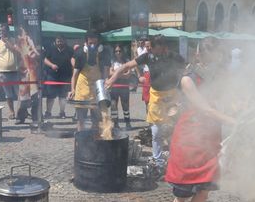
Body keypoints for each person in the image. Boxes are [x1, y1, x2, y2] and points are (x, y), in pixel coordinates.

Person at [164, 39, 236, 202]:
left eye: (218, 59)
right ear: (200, 57)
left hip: (211, 134)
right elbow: (206, 109)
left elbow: (229, 98)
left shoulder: (219, 77)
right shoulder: (188, 79)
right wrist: (235, 121)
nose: (215, 63)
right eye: (211, 59)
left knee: (204, 187)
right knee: (185, 182)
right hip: (190, 134)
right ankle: (178, 201)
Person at [106, 36, 185, 172]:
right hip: (156, 95)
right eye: (156, 50)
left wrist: (180, 91)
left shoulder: (174, 56)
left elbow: (185, 70)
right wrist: (113, 78)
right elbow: (126, 66)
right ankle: (158, 162)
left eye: (162, 49)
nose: (159, 53)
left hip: (172, 95)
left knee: (174, 129)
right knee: (156, 131)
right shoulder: (147, 56)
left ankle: (175, 160)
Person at [68, 30, 110, 132]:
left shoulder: (104, 52)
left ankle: (95, 141)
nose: (93, 45)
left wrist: (107, 85)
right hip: (82, 87)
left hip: (97, 87)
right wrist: (72, 90)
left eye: (95, 43)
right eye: (90, 43)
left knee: (96, 119)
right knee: (81, 119)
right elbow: (75, 75)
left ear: (99, 43)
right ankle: (80, 139)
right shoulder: (80, 53)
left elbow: (106, 73)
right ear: (86, 43)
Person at [0, 23, 21, 120]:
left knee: (19, 94)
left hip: (15, 71)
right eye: (0, 31)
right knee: (8, 94)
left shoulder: (14, 40)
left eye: (3, 30)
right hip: (3, 72)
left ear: (7, 31)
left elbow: (17, 52)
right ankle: (11, 112)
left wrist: (7, 42)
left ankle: (19, 112)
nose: (1, 32)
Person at [15, 25, 41, 125]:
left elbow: (36, 55)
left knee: (35, 97)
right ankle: (20, 117)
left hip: (34, 72)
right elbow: (17, 52)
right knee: (23, 97)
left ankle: (35, 117)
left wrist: (33, 48)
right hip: (23, 73)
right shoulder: (19, 42)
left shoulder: (34, 42)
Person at [43, 34, 73, 119]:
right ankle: (48, 112)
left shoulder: (70, 50)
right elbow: (45, 59)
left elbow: (73, 60)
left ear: (65, 41)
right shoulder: (51, 49)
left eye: (61, 41)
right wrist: (52, 65)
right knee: (50, 96)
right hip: (52, 76)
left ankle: (62, 112)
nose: (60, 43)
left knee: (63, 96)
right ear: (55, 42)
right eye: (58, 41)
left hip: (65, 76)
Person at [108, 44, 132, 129]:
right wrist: (122, 73)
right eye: (116, 51)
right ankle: (115, 124)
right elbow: (110, 73)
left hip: (124, 86)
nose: (118, 53)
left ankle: (127, 123)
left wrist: (116, 73)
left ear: (122, 52)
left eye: (119, 51)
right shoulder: (112, 61)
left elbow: (128, 74)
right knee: (113, 105)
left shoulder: (126, 61)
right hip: (114, 86)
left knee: (125, 105)